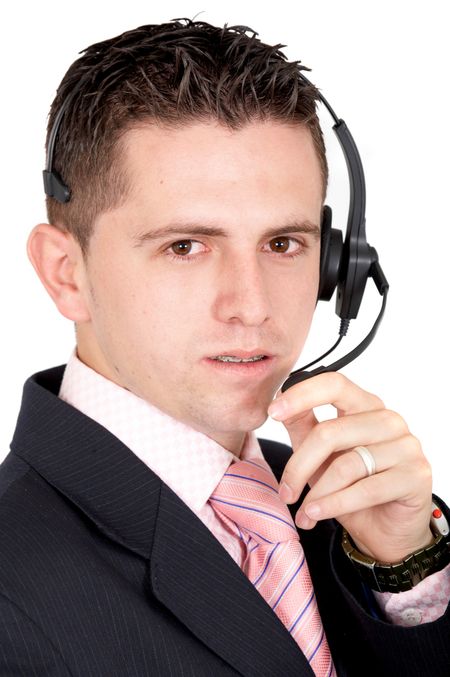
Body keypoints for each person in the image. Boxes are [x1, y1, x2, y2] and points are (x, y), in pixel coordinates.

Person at [1, 17, 449, 676]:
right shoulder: (11, 590)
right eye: (185, 246)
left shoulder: (350, 519)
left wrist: (406, 572)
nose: (253, 304)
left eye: (282, 243)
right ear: (68, 274)